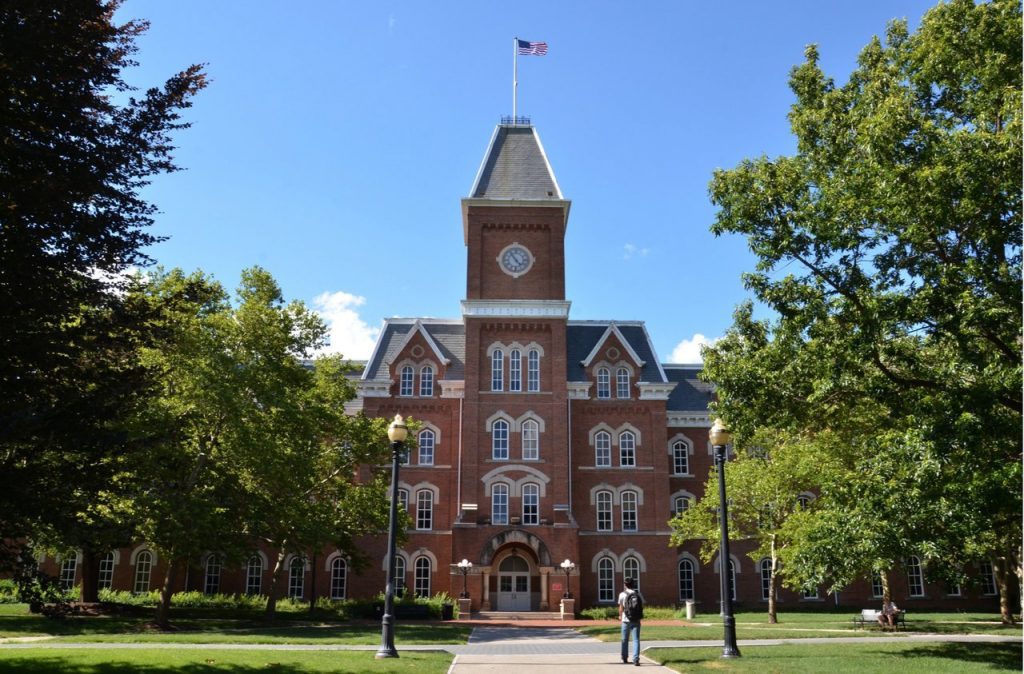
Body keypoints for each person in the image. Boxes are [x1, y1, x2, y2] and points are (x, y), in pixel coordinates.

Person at [618, 577, 643, 665]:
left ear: (625, 585)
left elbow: (621, 607)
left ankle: (624, 657)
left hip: (626, 619)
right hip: (636, 619)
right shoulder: (638, 593)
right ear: (633, 584)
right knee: (636, 639)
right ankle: (636, 659)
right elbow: (640, 606)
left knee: (624, 639)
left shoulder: (622, 594)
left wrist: (620, 616)